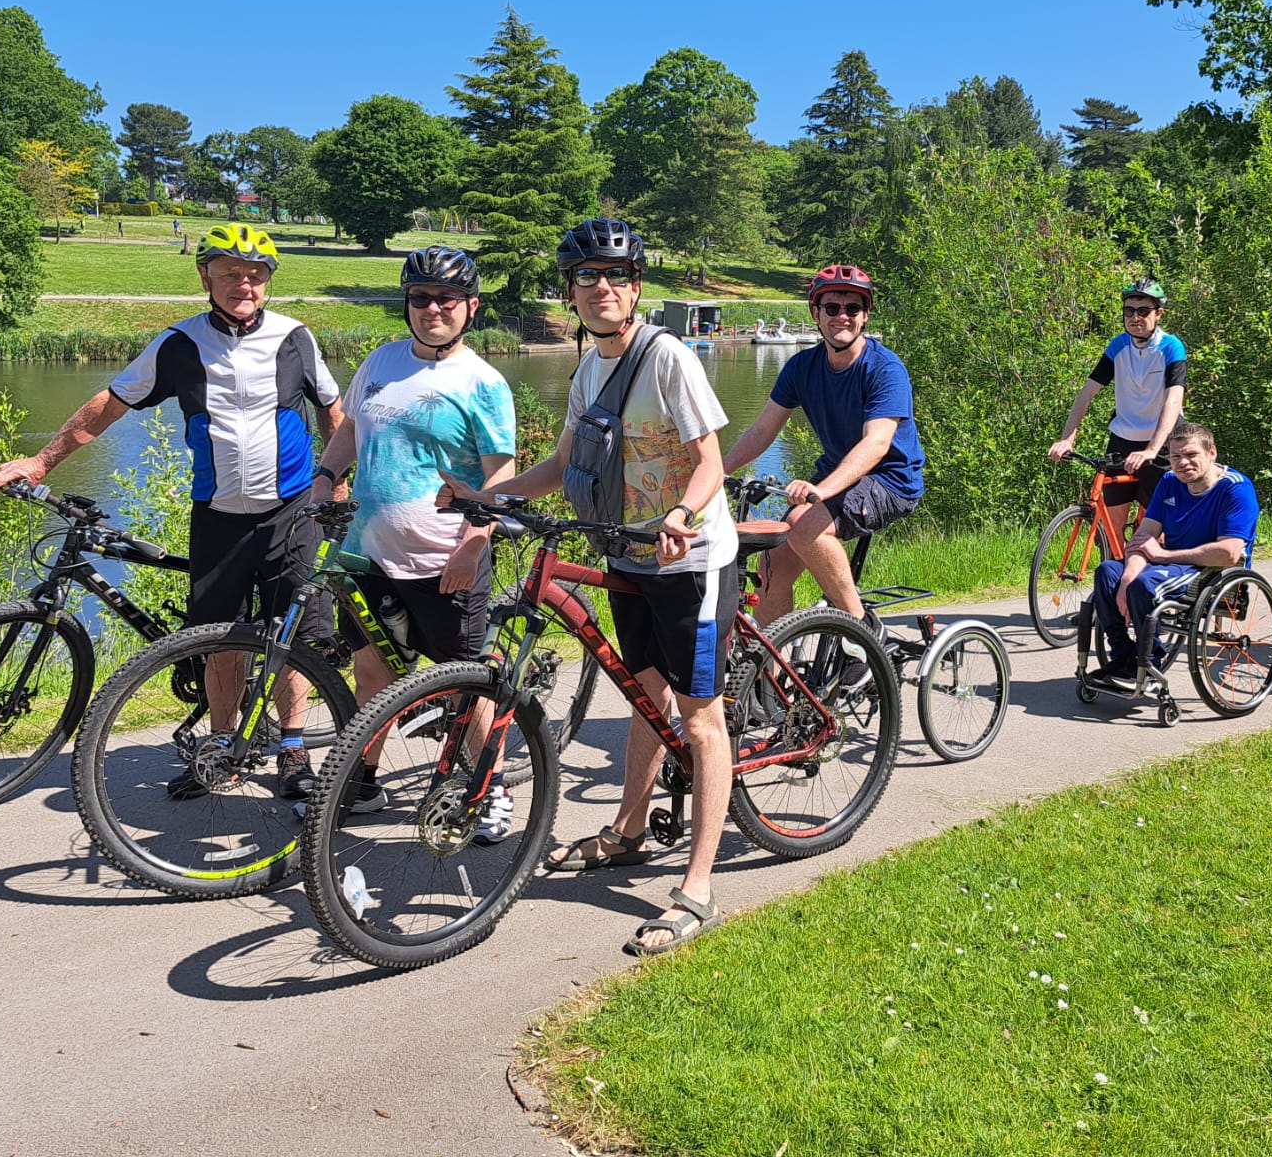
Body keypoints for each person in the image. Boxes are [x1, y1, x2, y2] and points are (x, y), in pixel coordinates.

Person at [0, 223, 344, 794]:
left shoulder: (294, 337)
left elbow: (332, 407)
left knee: (289, 635)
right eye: (230, 274)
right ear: (206, 276)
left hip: (292, 508)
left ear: (268, 283)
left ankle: (294, 750)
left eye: (254, 276)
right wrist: (41, 462)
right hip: (219, 512)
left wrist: (336, 484)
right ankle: (223, 747)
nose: (243, 285)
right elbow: (111, 403)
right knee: (221, 640)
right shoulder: (179, 343)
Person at [498, 218, 739, 957]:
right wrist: (486, 497)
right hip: (629, 558)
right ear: (570, 292)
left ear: (634, 288)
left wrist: (680, 512)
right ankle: (630, 833)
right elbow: (558, 465)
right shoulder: (586, 370)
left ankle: (697, 887)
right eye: (584, 277)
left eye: (613, 276)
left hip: (689, 562)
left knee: (701, 722)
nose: (599, 288)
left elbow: (711, 463)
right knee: (642, 697)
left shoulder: (666, 357)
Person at [305, 245, 515, 823]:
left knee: (464, 687)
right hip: (371, 554)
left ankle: (489, 790)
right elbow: (348, 429)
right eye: (420, 298)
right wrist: (326, 476)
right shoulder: (381, 360)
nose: (432, 309)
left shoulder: (483, 382)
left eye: (446, 299)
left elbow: (502, 475)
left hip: (446, 557)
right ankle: (364, 779)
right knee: (372, 671)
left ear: (470, 307)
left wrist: (475, 544)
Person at [720, 263, 925, 625]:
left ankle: (862, 631)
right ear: (816, 313)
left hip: (891, 480)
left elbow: (876, 444)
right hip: (837, 478)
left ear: (865, 317)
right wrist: (715, 472)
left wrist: (819, 490)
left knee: (802, 523)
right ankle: (767, 672)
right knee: (772, 564)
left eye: (853, 309)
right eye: (832, 308)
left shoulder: (885, 369)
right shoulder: (802, 367)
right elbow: (762, 431)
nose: (841, 317)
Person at [1086, 420, 1259, 693]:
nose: (1183, 463)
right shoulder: (1168, 482)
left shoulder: (1235, 488)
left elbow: (1229, 553)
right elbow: (1144, 537)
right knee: (1108, 572)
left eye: (1191, 455)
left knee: (1147, 584)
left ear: (1211, 452)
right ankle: (1122, 658)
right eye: (1176, 456)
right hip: (1171, 563)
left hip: (1211, 571)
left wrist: (1164, 557)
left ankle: (1150, 664)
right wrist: (1127, 578)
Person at [1049, 278, 1187, 518]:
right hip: (1123, 438)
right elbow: (1086, 394)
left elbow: (1174, 401)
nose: (1135, 317)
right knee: (1113, 520)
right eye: (1129, 311)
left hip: (1162, 441)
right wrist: (1066, 439)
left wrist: (1152, 449)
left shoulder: (1170, 347)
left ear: (1159, 314)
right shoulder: (1119, 346)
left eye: (1144, 311)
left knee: (1155, 526)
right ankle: (1116, 555)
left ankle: (1153, 553)